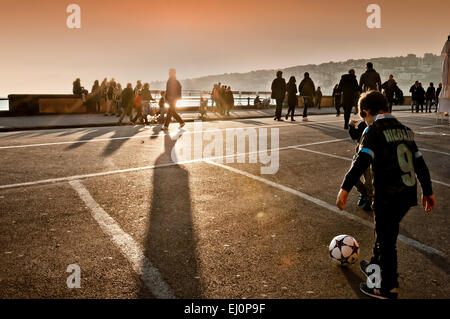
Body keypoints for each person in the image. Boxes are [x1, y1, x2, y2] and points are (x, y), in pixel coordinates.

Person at [336, 90, 436, 299]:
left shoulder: (373, 130)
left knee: (387, 242)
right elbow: (420, 163)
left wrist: (345, 188)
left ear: (366, 112)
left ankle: (386, 287)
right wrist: (428, 190)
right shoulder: (405, 130)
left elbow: (361, 161)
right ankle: (374, 269)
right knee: (383, 234)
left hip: (386, 196)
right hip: (406, 195)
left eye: (364, 116)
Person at [348, 119, 372, 211]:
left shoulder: (378, 125)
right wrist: (351, 126)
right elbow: (354, 136)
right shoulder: (363, 124)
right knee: (352, 177)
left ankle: (370, 198)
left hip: (370, 157)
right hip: (359, 155)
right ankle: (364, 193)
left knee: (369, 181)